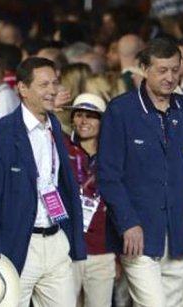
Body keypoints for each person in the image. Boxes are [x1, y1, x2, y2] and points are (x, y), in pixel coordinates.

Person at [97, 38, 183, 307]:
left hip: (180, 234)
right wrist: (127, 222)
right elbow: (108, 175)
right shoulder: (121, 111)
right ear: (144, 69)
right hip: (138, 235)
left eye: (174, 70)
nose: (170, 77)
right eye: (162, 70)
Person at [0, 57, 86, 307]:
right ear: (22, 89)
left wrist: (71, 237)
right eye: (43, 85)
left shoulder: (55, 125)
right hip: (19, 243)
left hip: (56, 241)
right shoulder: (2, 133)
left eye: (54, 83)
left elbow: (62, 185)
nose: (52, 90)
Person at [59, 93, 113, 307]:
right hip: (67, 249)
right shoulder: (62, 150)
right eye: (79, 115)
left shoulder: (113, 155)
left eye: (91, 116)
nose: (83, 121)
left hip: (102, 249)